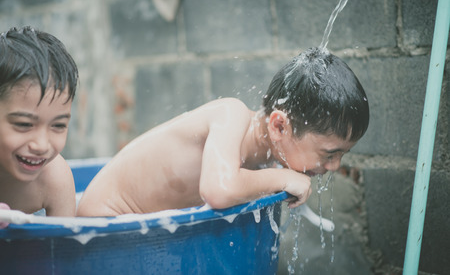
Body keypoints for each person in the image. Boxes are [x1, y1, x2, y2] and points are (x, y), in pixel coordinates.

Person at [77, 47, 369, 217]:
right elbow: (218, 190)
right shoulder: (230, 113)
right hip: (102, 221)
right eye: (329, 153)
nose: (335, 166)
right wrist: (284, 177)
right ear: (280, 126)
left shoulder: (263, 157)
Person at [0, 26, 79, 228]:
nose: (42, 145)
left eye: (58, 125)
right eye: (24, 124)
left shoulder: (55, 180)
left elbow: (62, 254)